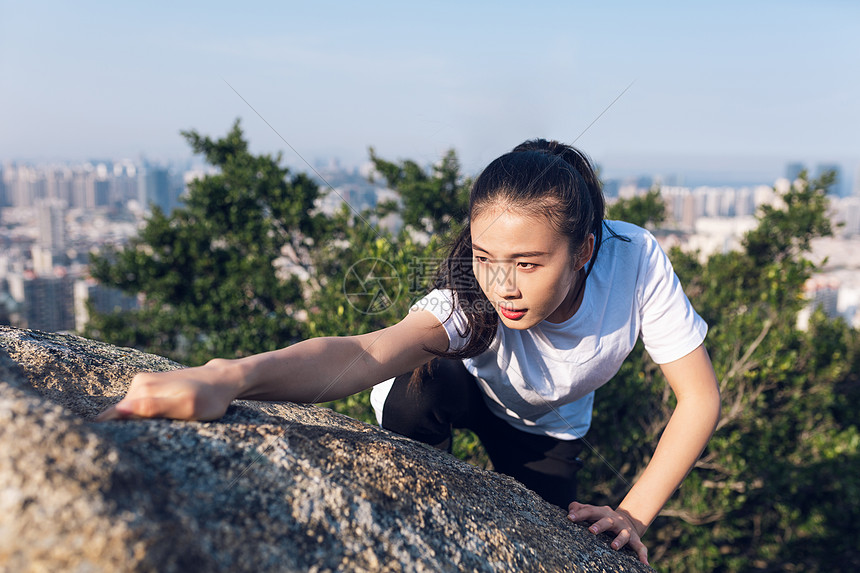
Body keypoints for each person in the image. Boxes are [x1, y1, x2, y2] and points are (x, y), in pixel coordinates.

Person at [98, 139, 721, 566]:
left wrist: (635, 514)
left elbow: (697, 398)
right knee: (425, 375)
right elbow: (366, 352)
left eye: (528, 264)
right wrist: (227, 378)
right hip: (457, 389)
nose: (502, 286)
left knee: (553, 536)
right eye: (485, 258)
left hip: (548, 427)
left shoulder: (633, 261)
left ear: (584, 250)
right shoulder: (467, 302)